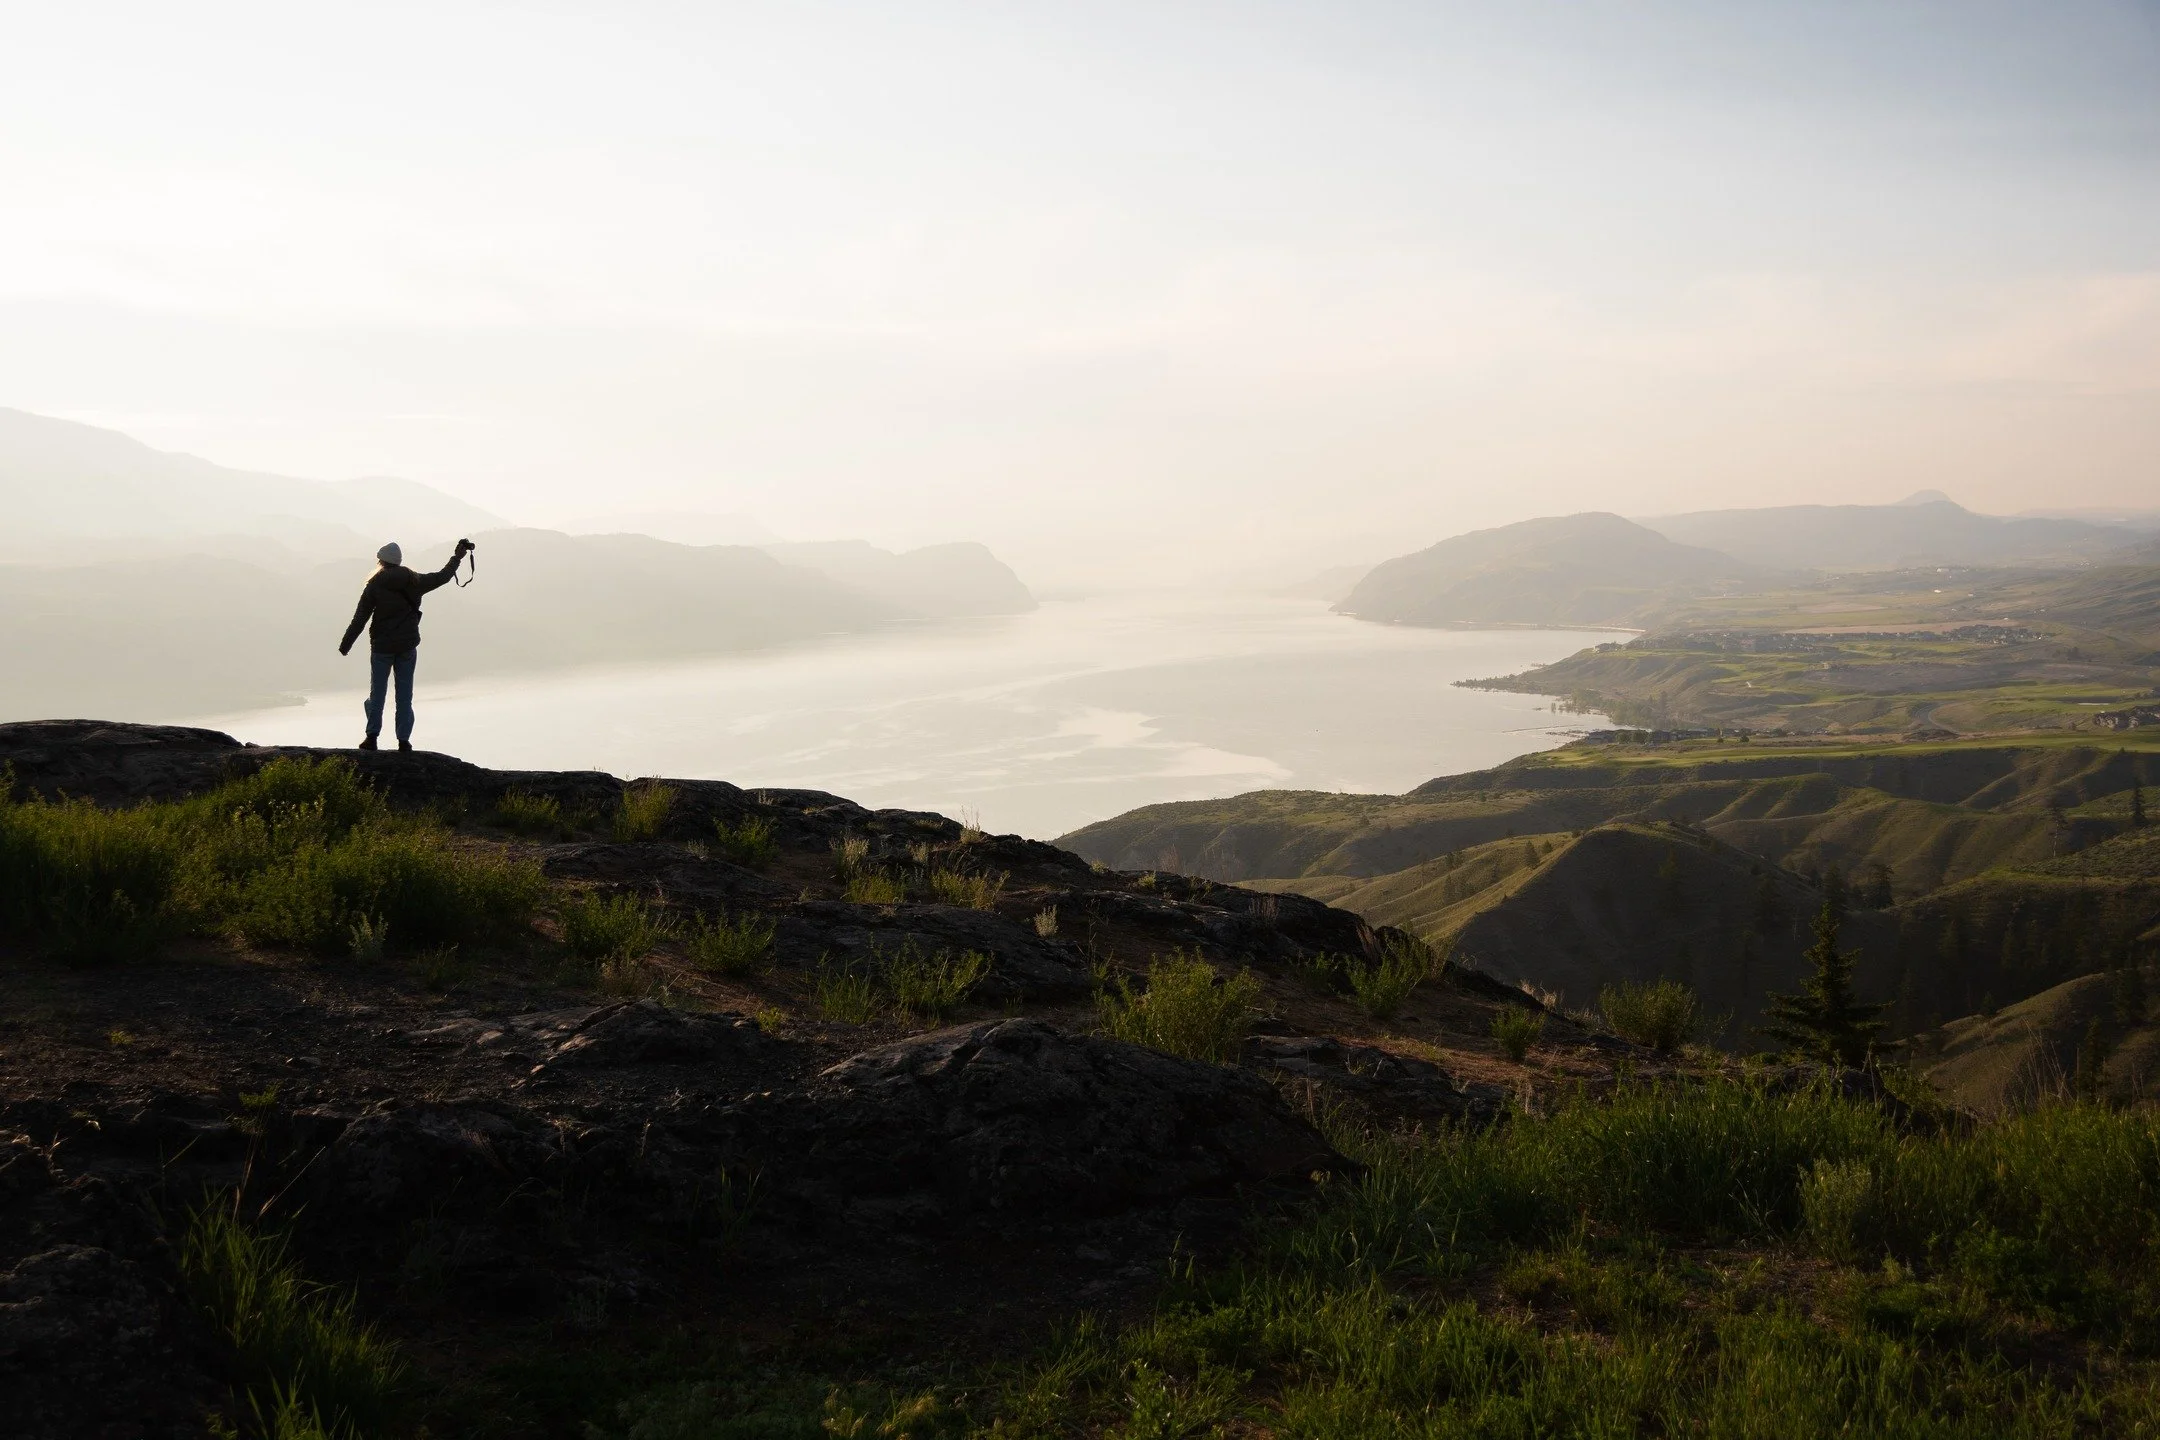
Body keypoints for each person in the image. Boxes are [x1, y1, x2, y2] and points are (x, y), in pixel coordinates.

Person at [338, 539, 474, 751]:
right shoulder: (415, 581)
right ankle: (403, 741)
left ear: (381, 562)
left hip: (382, 647)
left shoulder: (374, 586)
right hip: (407, 647)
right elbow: (443, 576)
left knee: (377, 694)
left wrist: (346, 644)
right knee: (404, 696)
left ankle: (371, 737)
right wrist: (457, 557)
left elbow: (360, 618)